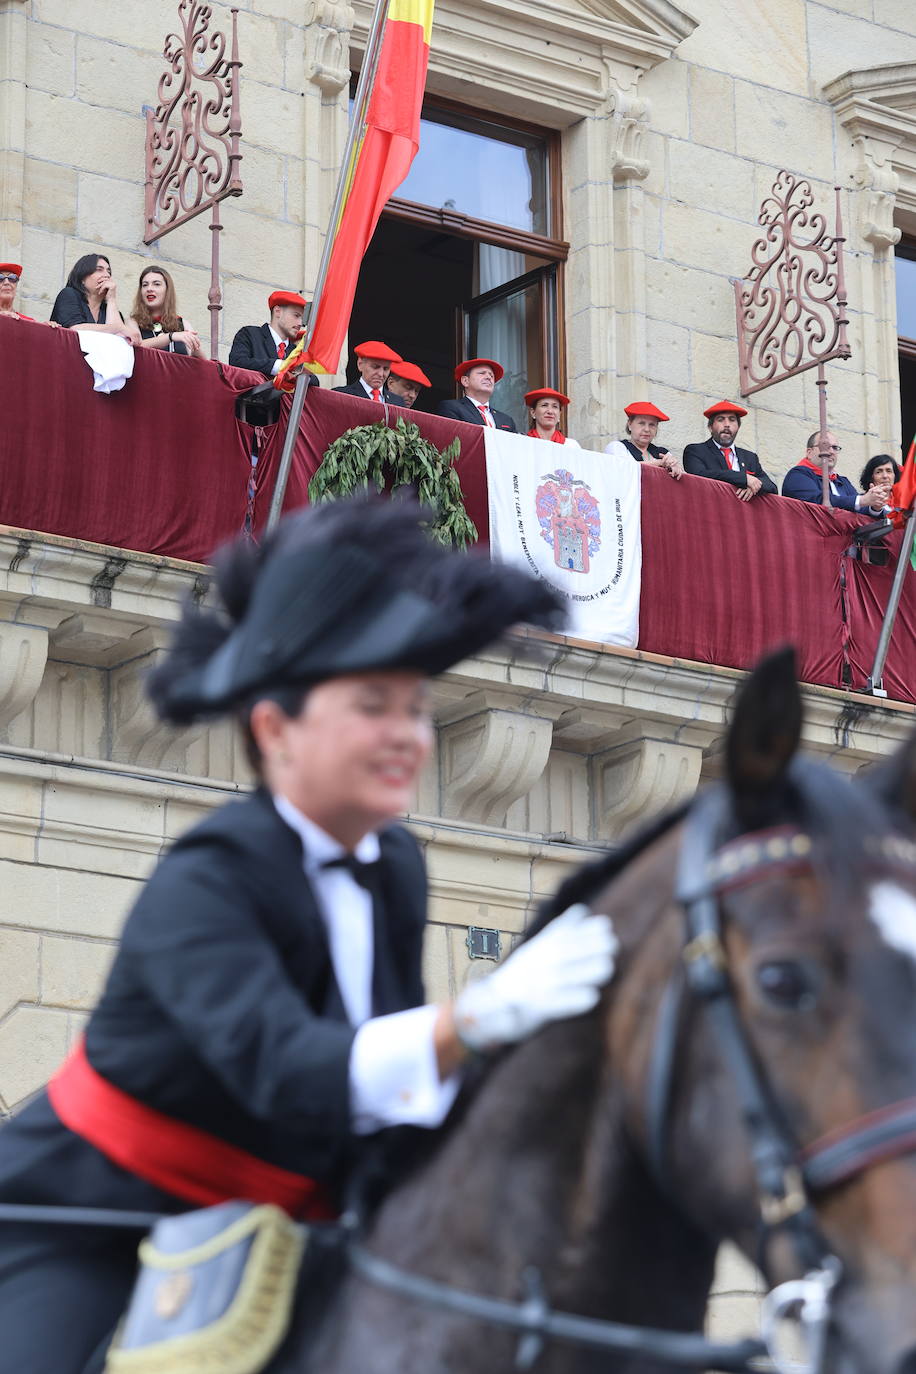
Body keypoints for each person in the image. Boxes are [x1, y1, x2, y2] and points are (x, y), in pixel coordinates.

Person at [0, 498, 617, 1374]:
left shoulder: (395, 865)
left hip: (291, 1221)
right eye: (375, 706)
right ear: (274, 729)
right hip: (94, 1222)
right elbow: (289, 1068)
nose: (408, 735)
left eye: (415, 709)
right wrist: (471, 1023)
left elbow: (386, 1099)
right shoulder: (206, 879)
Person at [682, 400, 777, 501]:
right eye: (720, 419)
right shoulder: (695, 451)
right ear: (710, 427)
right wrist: (744, 479)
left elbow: (772, 487)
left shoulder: (750, 457)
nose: (727, 424)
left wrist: (753, 485)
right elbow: (699, 475)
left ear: (738, 427)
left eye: (732, 420)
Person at [782, 432, 892, 514]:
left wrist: (874, 506)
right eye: (824, 446)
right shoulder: (797, 476)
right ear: (809, 453)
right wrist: (863, 500)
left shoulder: (842, 481)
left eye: (835, 448)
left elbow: (859, 508)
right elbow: (818, 502)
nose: (830, 452)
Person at [50, 254, 140, 342]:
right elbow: (76, 329)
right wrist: (118, 327)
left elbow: (119, 338)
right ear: (82, 278)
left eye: (108, 271)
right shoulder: (69, 294)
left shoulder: (109, 309)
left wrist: (111, 299)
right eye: (99, 270)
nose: (107, 275)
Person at [229, 291, 308, 378]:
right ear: (278, 311)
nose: (300, 323)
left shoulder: (297, 351)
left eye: (302, 318)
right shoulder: (249, 334)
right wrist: (279, 366)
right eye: (296, 315)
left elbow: (314, 380)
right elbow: (237, 363)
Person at [130, 265, 204, 358]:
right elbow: (136, 346)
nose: (149, 289)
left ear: (167, 290)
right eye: (145, 285)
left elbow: (202, 364)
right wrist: (170, 336)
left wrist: (194, 344)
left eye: (156, 284)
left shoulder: (183, 323)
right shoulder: (133, 321)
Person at [604, 402, 682, 478]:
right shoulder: (617, 447)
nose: (647, 429)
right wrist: (659, 463)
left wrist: (675, 467)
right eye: (641, 423)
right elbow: (624, 468)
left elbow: (683, 478)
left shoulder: (662, 453)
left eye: (652, 425)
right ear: (629, 424)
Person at [438, 357, 517, 432]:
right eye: (482, 373)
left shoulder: (507, 420)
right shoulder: (451, 408)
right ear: (465, 381)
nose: (488, 377)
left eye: (491, 375)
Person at [332, 340, 403, 402]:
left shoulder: (398, 402)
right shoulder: (341, 395)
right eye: (375, 367)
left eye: (386, 369)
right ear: (360, 364)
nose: (381, 374)